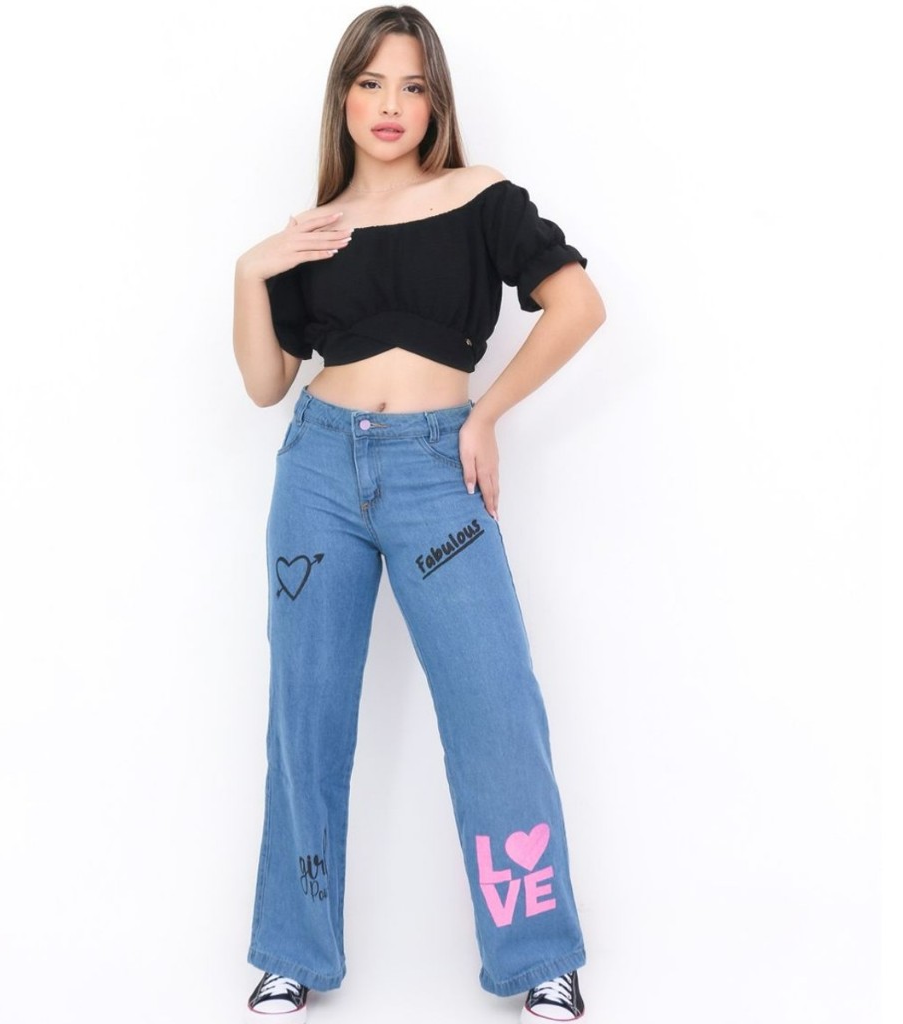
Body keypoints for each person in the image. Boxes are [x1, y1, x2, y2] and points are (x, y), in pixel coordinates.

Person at [232, 6, 605, 1021]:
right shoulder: (316, 229)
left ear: (436, 101)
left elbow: (578, 304)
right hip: (318, 470)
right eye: (370, 84)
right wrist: (251, 268)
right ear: (343, 98)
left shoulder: (481, 197)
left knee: (494, 708)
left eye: (411, 85)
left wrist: (485, 414)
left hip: (438, 471)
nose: (389, 105)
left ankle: (539, 953)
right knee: (305, 716)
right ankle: (292, 951)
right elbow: (266, 384)